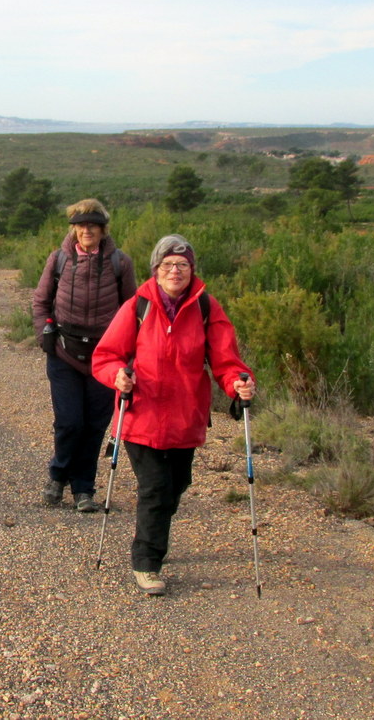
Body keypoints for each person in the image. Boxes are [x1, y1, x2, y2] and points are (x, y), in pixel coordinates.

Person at [91, 234, 255, 595]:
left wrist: (239, 384)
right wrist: (118, 375)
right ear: (156, 269)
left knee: (177, 485)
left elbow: (227, 362)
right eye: (168, 265)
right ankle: (147, 562)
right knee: (155, 488)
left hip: (185, 418)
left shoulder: (207, 308)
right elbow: (105, 358)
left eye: (182, 265)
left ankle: (155, 532)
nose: (175, 271)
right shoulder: (138, 305)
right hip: (141, 418)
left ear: (192, 270)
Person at [32, 199, 137, 512]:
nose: (87, 230)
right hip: (64, 352)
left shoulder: (121, 263)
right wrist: (44, 337)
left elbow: (133, 309)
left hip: (106, 357)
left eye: (93, 224)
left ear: (103, 229)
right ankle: (58, 473)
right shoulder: (59, 259)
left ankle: (83, 489)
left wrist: (129, 356)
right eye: (81, 224)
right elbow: (40, 302)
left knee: (94, 425)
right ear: (74, 229)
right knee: (69, 422)